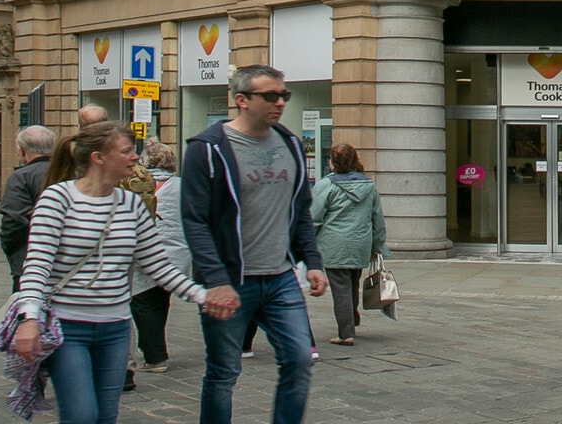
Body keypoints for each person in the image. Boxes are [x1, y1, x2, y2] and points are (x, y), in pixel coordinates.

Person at [12, 121, 237, 424]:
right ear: (98, 158)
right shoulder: (57, 199)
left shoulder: (131, 203)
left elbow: (158, 265)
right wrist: (28, 319)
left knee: (106, 416)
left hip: (115, 328)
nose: (135, 158)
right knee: (81, 415)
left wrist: (203, 295)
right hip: (68, 327)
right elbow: (36, 266)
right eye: (128, 151)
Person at [181, 63, 327, 424]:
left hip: (280, 277)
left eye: (284, 96)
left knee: (298, 359)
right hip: (231, 280)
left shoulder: (291, 143)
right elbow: (195, 221)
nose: (279, 103)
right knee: (223, 372)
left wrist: (314, 262)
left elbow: (300, 211)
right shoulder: (208, 149)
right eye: (270, 96)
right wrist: (215, 280)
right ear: (241, 100)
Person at [310, 143, 387, 345]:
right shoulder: (369, 186)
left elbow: (314, 217)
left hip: (334, 244)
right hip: (360, 243)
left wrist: (306, 243)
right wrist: (378, 246)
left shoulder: (326, 186)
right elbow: (377, 220)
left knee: (340, 289)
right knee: (351, 284)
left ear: (333, 163)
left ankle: (346, 333)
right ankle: (351, 318)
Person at [128, 143, 190, 378]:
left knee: (142, 302)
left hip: (146, 252)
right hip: (177, 253)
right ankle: (156, 349)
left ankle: (155, 356)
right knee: (160, 300)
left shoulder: (136, 185)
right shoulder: (183, 185)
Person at [0, 126, 60, 290]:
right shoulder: (68, 171)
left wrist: (12, 249)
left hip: (30, 256)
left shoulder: (22, 176)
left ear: (22, 150)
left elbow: (13, 220)